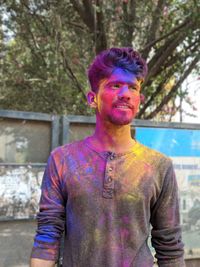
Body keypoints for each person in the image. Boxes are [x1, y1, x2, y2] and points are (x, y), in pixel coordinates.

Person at [30, 47, 185, 267]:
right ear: (93, 98)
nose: (125, 93)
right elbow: (47, 235)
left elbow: (170, 247)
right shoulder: (63, 160)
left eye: (133, 87)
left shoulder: (159, 166)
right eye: (115, 85)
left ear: (139, 99)